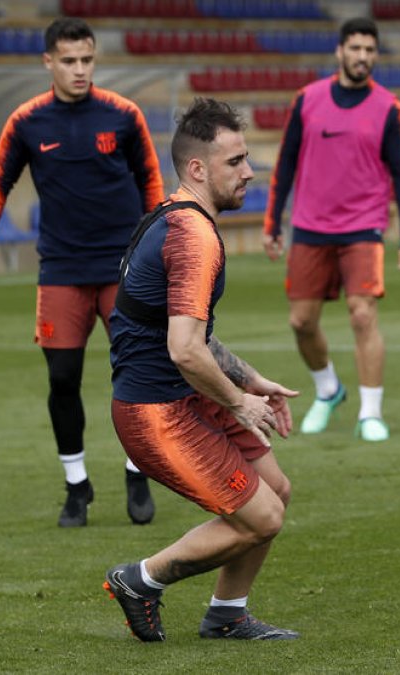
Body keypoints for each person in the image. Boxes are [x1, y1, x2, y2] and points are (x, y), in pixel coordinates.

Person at [103, 98, 300, 641]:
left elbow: (195, 338)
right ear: (197, 169)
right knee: (262, 518)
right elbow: (185, 349)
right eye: (235, 161)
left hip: (187, 396)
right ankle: (139, 580)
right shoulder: (194, 235)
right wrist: (240, 402)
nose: (248, 172)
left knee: (274, 490)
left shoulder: (176, 219)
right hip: (156, 412)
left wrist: (248, 377)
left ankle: (226, 614)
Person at [0, 17, 165, 528]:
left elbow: (152, 184)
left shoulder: (123, 115)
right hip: (61, 269)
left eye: (87, 60)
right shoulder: (27, 122)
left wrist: (164, 244)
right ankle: (77, 485)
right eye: (69, 61)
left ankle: (136, 470)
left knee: (137, 374)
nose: (79, 70)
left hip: (124, 268)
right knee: (62, 377)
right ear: (48, 62)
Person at [262, 17, 400, 442]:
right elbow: (286, 163)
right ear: (340, 51)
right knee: (301, 322)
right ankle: (329, 390)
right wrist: (273, 222)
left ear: (376, 55)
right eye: (355, 48)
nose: (362, 56)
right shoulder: (307, 100)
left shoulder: (389, 108)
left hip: (363, 227)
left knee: (362, 314)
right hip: (310, 226)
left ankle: (370, 413)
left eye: (370, 50)